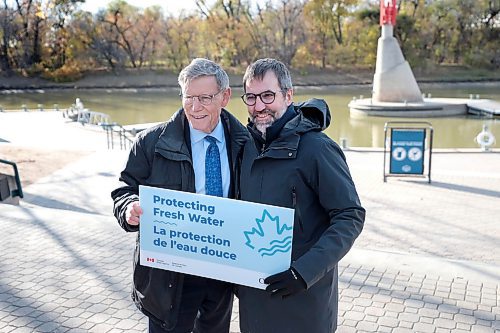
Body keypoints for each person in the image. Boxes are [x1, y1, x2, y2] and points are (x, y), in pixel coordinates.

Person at [111, 58, 248, 333]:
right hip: (169, 277)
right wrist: (129, 208)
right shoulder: (150, 142)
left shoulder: (245, 143)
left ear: (225, 97)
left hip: (222, 272)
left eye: (205, 98)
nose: (195, 108)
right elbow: (125, 189)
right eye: (188, 97)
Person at [237, 58, 366, 333]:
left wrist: (304, 271)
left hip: (303, 298)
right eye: (251, 97)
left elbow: (350, 216)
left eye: (268, 96)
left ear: (288, 95)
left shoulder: (317, 149)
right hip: (254, 301)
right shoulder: (243, 147)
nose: (259, 106)